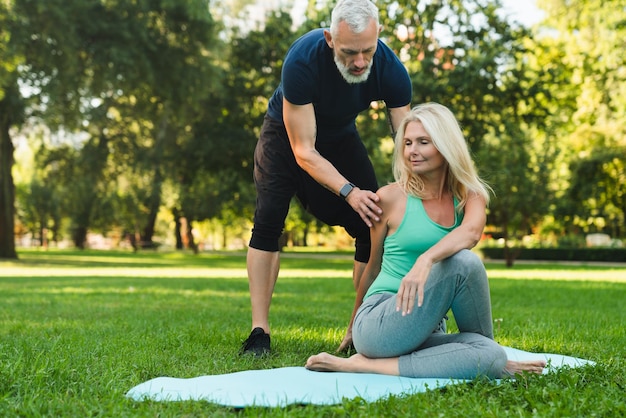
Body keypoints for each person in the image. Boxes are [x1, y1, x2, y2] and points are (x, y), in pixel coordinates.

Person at [305, 103, 546, 378]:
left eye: (423, 142)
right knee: (463, 261)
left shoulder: (470, 195)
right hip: (380, 321)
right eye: (407, 143)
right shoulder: (389, 198)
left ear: (446, 146)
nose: (412, 151)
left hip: (427, 326)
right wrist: (352, 328)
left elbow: (471, 234)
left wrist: (426, 259)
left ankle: (487, 358)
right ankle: (361, 363)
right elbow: (372, 267)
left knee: (490, 354)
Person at [241, 0, 412, 356]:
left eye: (368, 50)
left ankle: (362, 326)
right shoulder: (303, 60)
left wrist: (412, 189)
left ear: (378, 35)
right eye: (350, 52)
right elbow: (304, 150)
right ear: (330, 39)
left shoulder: (391, 69)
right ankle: (259, 332)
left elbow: (406, 142)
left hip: (339, 137)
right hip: (286, 137)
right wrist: (349, 191)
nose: (360, 62)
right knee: (269, 218)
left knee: (372, 221)